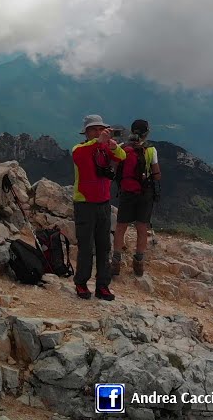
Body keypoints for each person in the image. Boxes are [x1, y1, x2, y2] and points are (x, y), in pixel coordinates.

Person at [71, 114, 126, 301]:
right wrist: (98, 142)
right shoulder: (80, 149)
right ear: (86, 132)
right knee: (86, 247)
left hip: (103, 202)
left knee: (104, 246)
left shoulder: (104, 148)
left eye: (100, 129)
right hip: (84, 203)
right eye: (93, 129)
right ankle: (81, 283)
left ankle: (103, 286)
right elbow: (78, 156)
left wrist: (113, 146)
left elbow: (122, 156)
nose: (97, 132)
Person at [112, 119, 161, 277]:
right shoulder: (151, 150)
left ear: (132, 131)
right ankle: (138, 263)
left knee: (121, 227)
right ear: (147, 133)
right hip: (145, 194)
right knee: (141, 228)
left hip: (127, 193)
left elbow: (116, 170)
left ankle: (116, 261)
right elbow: (157, 175)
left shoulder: (122, 148)